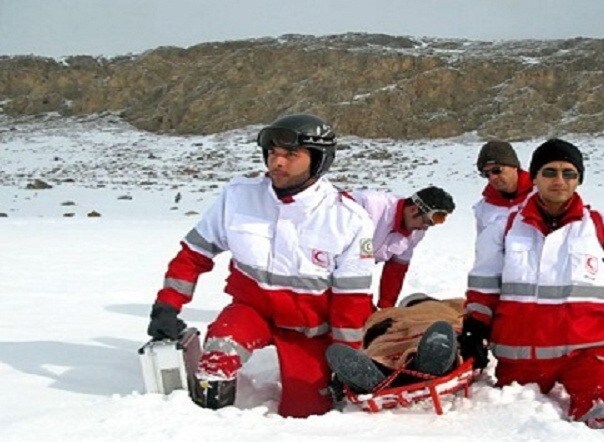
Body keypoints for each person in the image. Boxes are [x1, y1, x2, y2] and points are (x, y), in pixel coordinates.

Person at [146, 113, 376, 418]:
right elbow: (194, 254)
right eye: (272, 153)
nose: (277, 162)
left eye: (291, 155)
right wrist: (167, 305)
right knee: (216, 360)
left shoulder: (347, 219)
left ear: (319, 159)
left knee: (307, 412)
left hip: (309, 331)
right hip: (252, 311)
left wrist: (345, 358)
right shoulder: (239, 197)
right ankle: (208, 428)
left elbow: (352, 301)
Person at [460, 138, 604, 429]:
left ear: (579, 179)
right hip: (520, 357)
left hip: (587, 356)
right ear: (534, 176)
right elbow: (484, 289)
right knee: (513, 430)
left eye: (568, 173)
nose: (559, 180)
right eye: (549, 172)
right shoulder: (504, 228)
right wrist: (474, 333)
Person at [326, 294, 464, 395]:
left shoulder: (388, 312)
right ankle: (435, 358)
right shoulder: (451, 304)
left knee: (384, 350)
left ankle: (376, 369)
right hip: (428, 328)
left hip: (389, 334)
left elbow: (372, 328)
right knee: (435, 334)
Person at [350, 187, 455, 308]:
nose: (425, 228)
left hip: (354, 269)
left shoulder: (415, 230)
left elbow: (396, 271)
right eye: (426, 222)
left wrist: (386, 307)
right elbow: (358, 262)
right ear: (413, 209)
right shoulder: (370, 206)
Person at [473, 141, 534, 236]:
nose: (492, 177)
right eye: (486, 174)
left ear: (514, 167)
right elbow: (484, 247)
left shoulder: (541, 195)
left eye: (497, 170)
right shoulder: (484, 208)